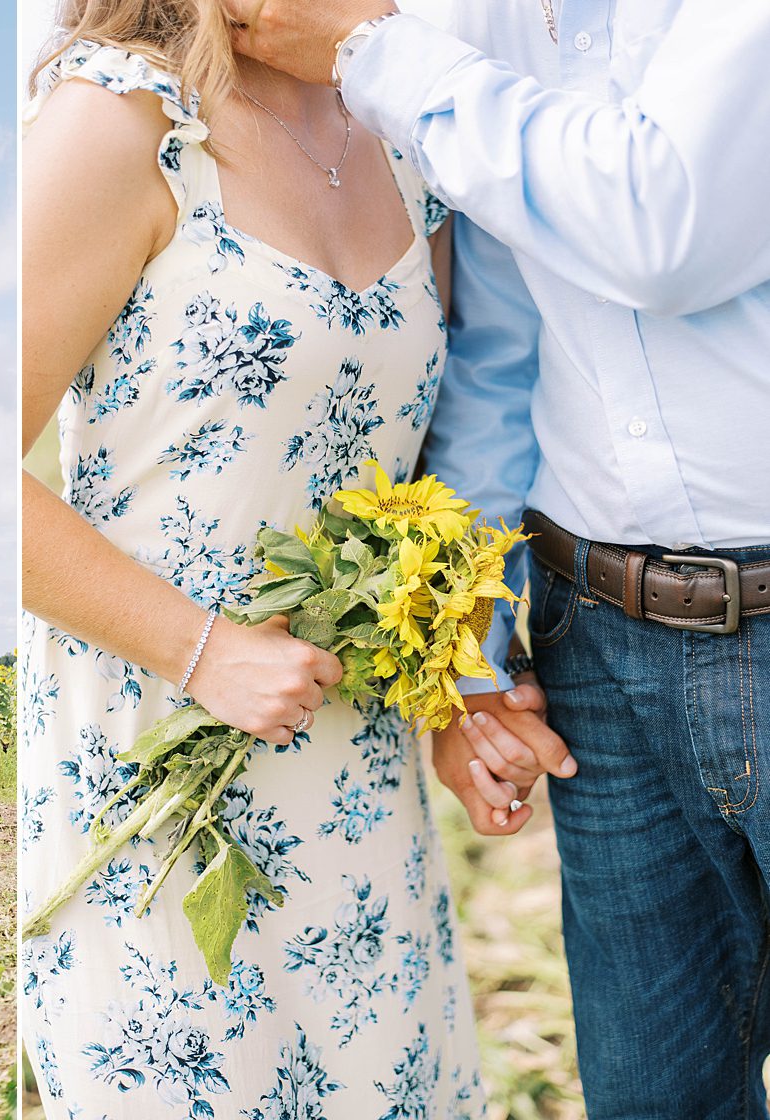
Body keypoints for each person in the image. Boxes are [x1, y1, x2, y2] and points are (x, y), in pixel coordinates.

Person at [18, 1, 571, 1111]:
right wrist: (204, 648)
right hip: (156, 784)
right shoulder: (121, 123)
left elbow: (427, 474)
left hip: (357, 794)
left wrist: (455, 692)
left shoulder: (407, 132)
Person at [232, 1, 770, 1115]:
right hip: (597, 641)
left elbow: (660, 227)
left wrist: (370, 52)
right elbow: (497, 359)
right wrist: (467, 660)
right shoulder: (472, 28)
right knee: (654, 1094)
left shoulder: (416, 52)